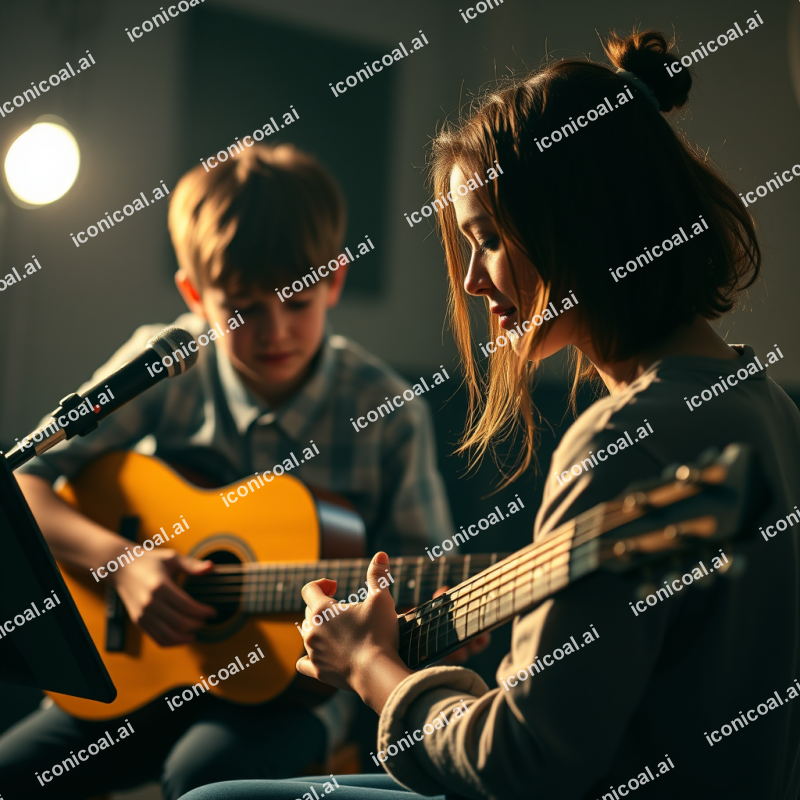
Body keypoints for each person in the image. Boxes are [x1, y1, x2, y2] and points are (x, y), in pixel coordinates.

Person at [178, 29, 800, 800]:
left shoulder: (622, 442)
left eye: (491, 240)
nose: (472, 280)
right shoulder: (763, 402)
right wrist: (440, 649)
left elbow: (527, 764)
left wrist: (372, 667)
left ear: (582, 221)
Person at [0, 143, 458, 800]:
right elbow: (20, 482)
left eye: (297, 301)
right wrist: (123, 563)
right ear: (195, 294)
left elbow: (421, 568)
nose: (275, 331)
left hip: (295, 695)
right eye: (243, 310)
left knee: (206, 781)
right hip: (135, 667)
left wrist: (431, 624)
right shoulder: (165, 365)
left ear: (335, 279)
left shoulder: (386, 412)